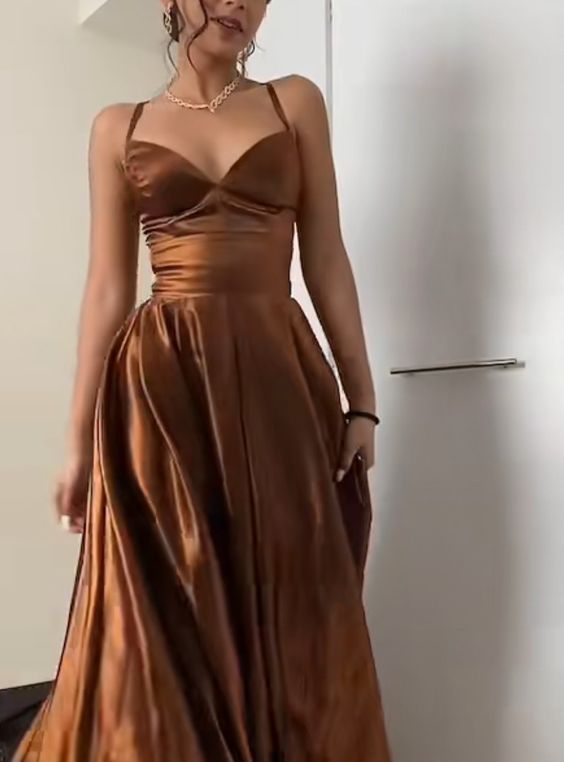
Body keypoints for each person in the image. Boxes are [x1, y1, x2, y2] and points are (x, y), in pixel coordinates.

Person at [14, 0, 392, 759]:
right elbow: (107, 291)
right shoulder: (117, 127)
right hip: (162, 386)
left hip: (278, 378)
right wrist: (78, 443)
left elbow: (325, 255)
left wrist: (363, 402)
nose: (239, 3)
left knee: (291, 593)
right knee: (174, 599)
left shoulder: (294, 103)